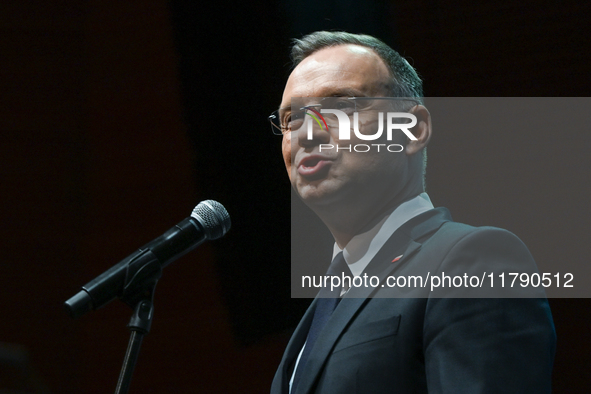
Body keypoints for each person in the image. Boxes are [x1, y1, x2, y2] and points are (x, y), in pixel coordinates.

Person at [269, 31, 555, 394]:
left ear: (413, 129)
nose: (307, 133)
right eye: (291, 117)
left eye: (341, 106)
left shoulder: (475, 259)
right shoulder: (323, 306)